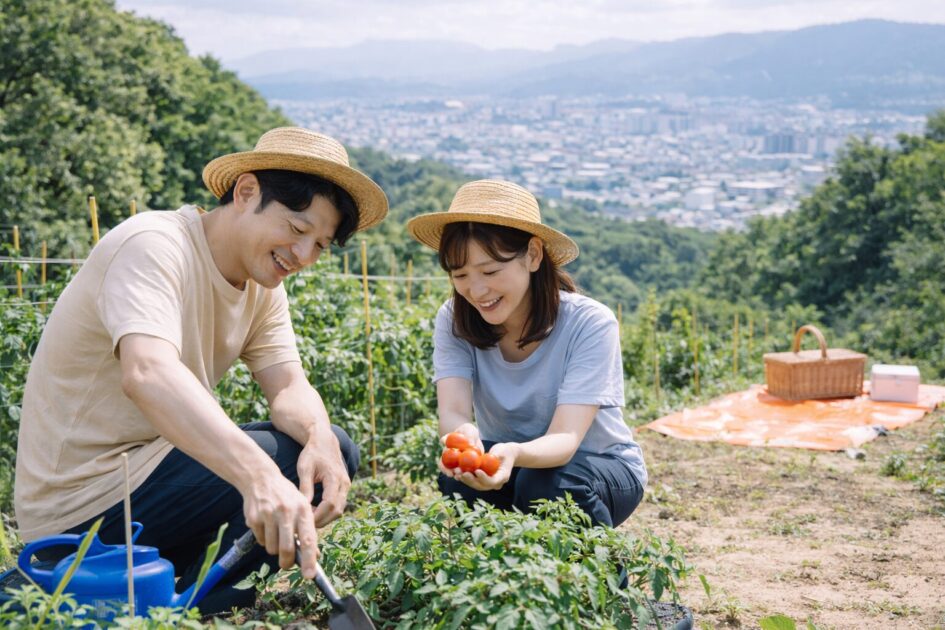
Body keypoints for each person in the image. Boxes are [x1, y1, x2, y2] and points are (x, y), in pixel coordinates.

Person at [14, 127, 388, 613]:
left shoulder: (263, 287)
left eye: (319, 245)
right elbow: (147, 372)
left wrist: (320, 439)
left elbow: (289, 385)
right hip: (79, 508)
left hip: (147, 486)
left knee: (327, 450)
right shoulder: (154, 245)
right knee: (274, 464)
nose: (302, 257)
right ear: (247, 192)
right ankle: (196, 605)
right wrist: (258, 477)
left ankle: (191, 596)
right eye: (297, 230)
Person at [406, 179, 647, 528]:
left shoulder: (590, 323)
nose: (476, 290)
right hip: (515, 466)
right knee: (457, 478)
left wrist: (514, 453)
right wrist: (463, 441)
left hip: (598, 468)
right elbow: (454, 411)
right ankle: (494, 577)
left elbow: (565, 440)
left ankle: (608, 580)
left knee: (545, 483)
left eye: (490, 271)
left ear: (533, 255)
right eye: (460, 274)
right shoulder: (453, 319)